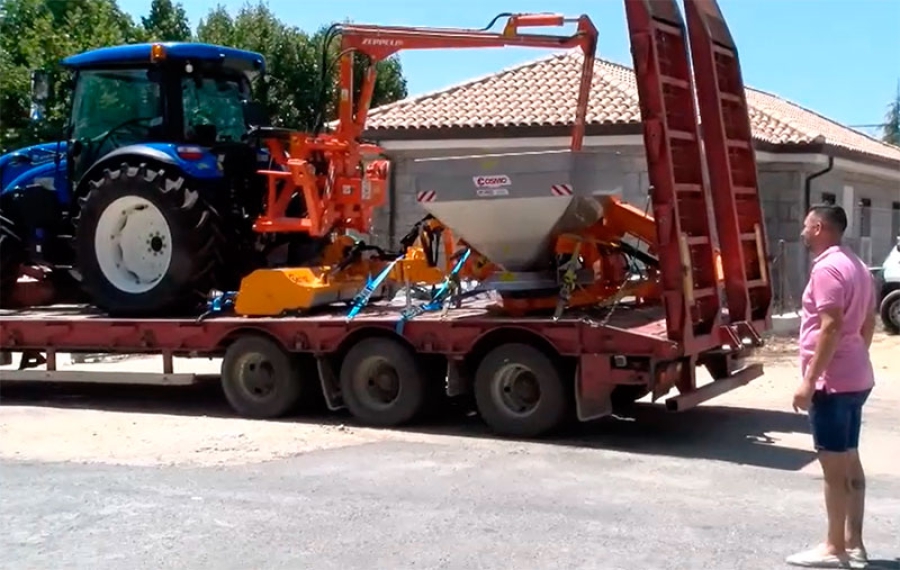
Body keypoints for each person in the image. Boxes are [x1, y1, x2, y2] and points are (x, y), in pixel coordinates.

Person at [786, 204, 878, 569]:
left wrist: (809, 381)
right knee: (850, 459)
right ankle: (855, 545)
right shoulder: (857, 265)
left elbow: (830, 326)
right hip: (856, 376)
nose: (804, 232)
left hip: (833, 383)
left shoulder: (826, 269)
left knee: (833, 469)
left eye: (807, 226)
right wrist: (857, 357)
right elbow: (867, 321)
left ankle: (834, 547)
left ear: (820, 227)